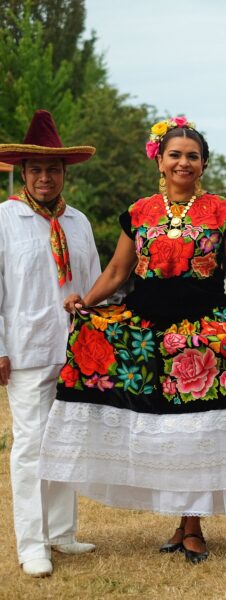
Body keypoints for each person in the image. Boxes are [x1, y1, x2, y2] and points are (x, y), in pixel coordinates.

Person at [38, 117, 226, 564]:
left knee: (197, 429)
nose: (184, 163)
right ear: (160, 161)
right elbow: (117, 272)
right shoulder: (140, 211)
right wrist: (85, 302)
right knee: (165, 431)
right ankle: (184, 524)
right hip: (145, 332)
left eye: (193, 156)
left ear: (204, 163)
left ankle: (193, 525)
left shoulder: (224, 211)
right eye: (175, 155)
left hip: (206, 331)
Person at [0, 109, 101, 577]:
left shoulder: (77, 222)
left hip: (74, 351)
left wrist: (101, 336)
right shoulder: (5, 219)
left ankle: (61, 531)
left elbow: (97, 283)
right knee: (30, 444)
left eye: (53, 169)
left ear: (64, 174)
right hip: (24, 348)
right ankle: (32, 541)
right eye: (37, 169)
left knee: (66, 441)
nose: (45, 177)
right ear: (24, 172)